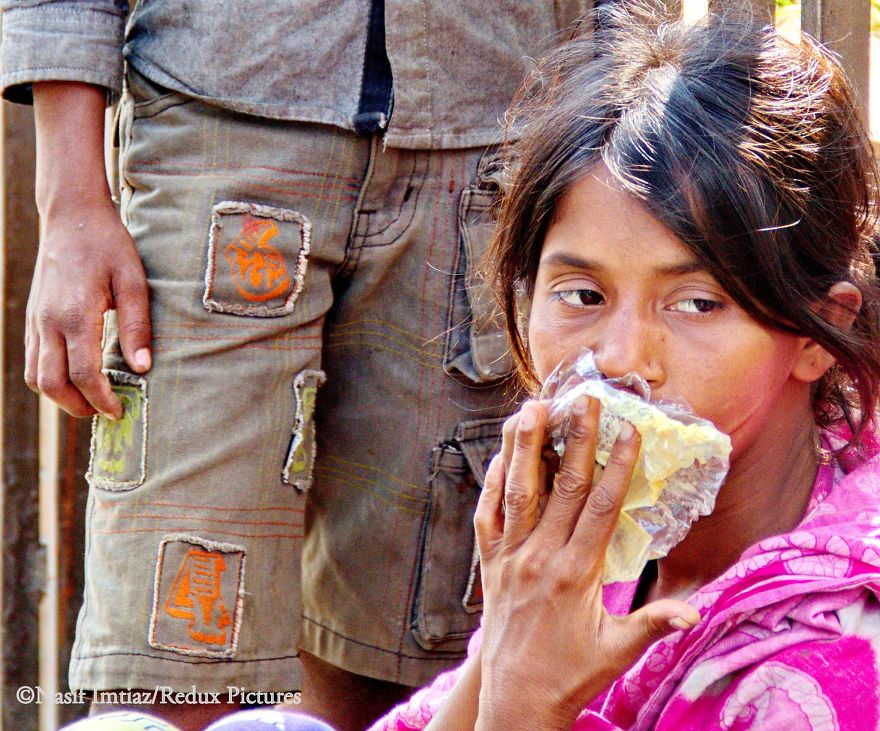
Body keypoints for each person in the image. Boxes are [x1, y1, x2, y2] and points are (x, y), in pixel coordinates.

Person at [0, 2, 591, 729]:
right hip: (219, 128)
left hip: (491, 143)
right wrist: (69, 204)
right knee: (167, 670)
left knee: (402, 671)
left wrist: (610, 113)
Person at [360, 3, 880, 729]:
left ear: (821, 330)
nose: (621, 358)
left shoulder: (833, 672)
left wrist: (524, 705)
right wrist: (507, 638)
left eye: (696, 303)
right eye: (582, 294)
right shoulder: (595, 558)